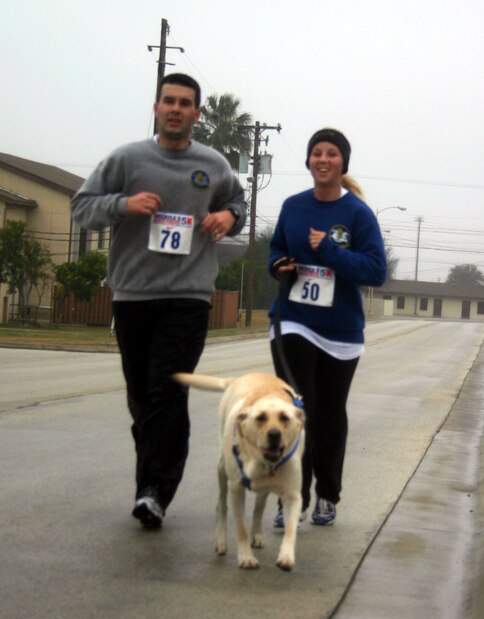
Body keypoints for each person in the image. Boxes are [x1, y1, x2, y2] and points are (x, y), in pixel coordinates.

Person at [71, 73, 246, 529]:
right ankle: (155, 474)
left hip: (188, 295)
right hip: (133, 294)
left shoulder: (213, 163)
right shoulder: (127, 159)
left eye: (185, 103)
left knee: (167, 388)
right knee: (141, 396)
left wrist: (228, 215)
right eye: (168, 101)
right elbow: (81, 207)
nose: (175, 109)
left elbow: (237, 205)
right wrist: (123, 206)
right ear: (156, 108)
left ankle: (153, 492)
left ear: (197, 114)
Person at [268, 128, 386, 528]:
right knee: (297, 411)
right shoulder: (293, 206)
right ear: (308, 161)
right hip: (293, 322)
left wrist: (330, 251)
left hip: (341, 334)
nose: (323, 159)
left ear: (342, 163)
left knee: (329, 415)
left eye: (331, 153)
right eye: (316, 152)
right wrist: (278, 266)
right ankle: (291, 499)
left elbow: (375, 270)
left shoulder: (358, 214)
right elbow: (276, 250)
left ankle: (327, 495)